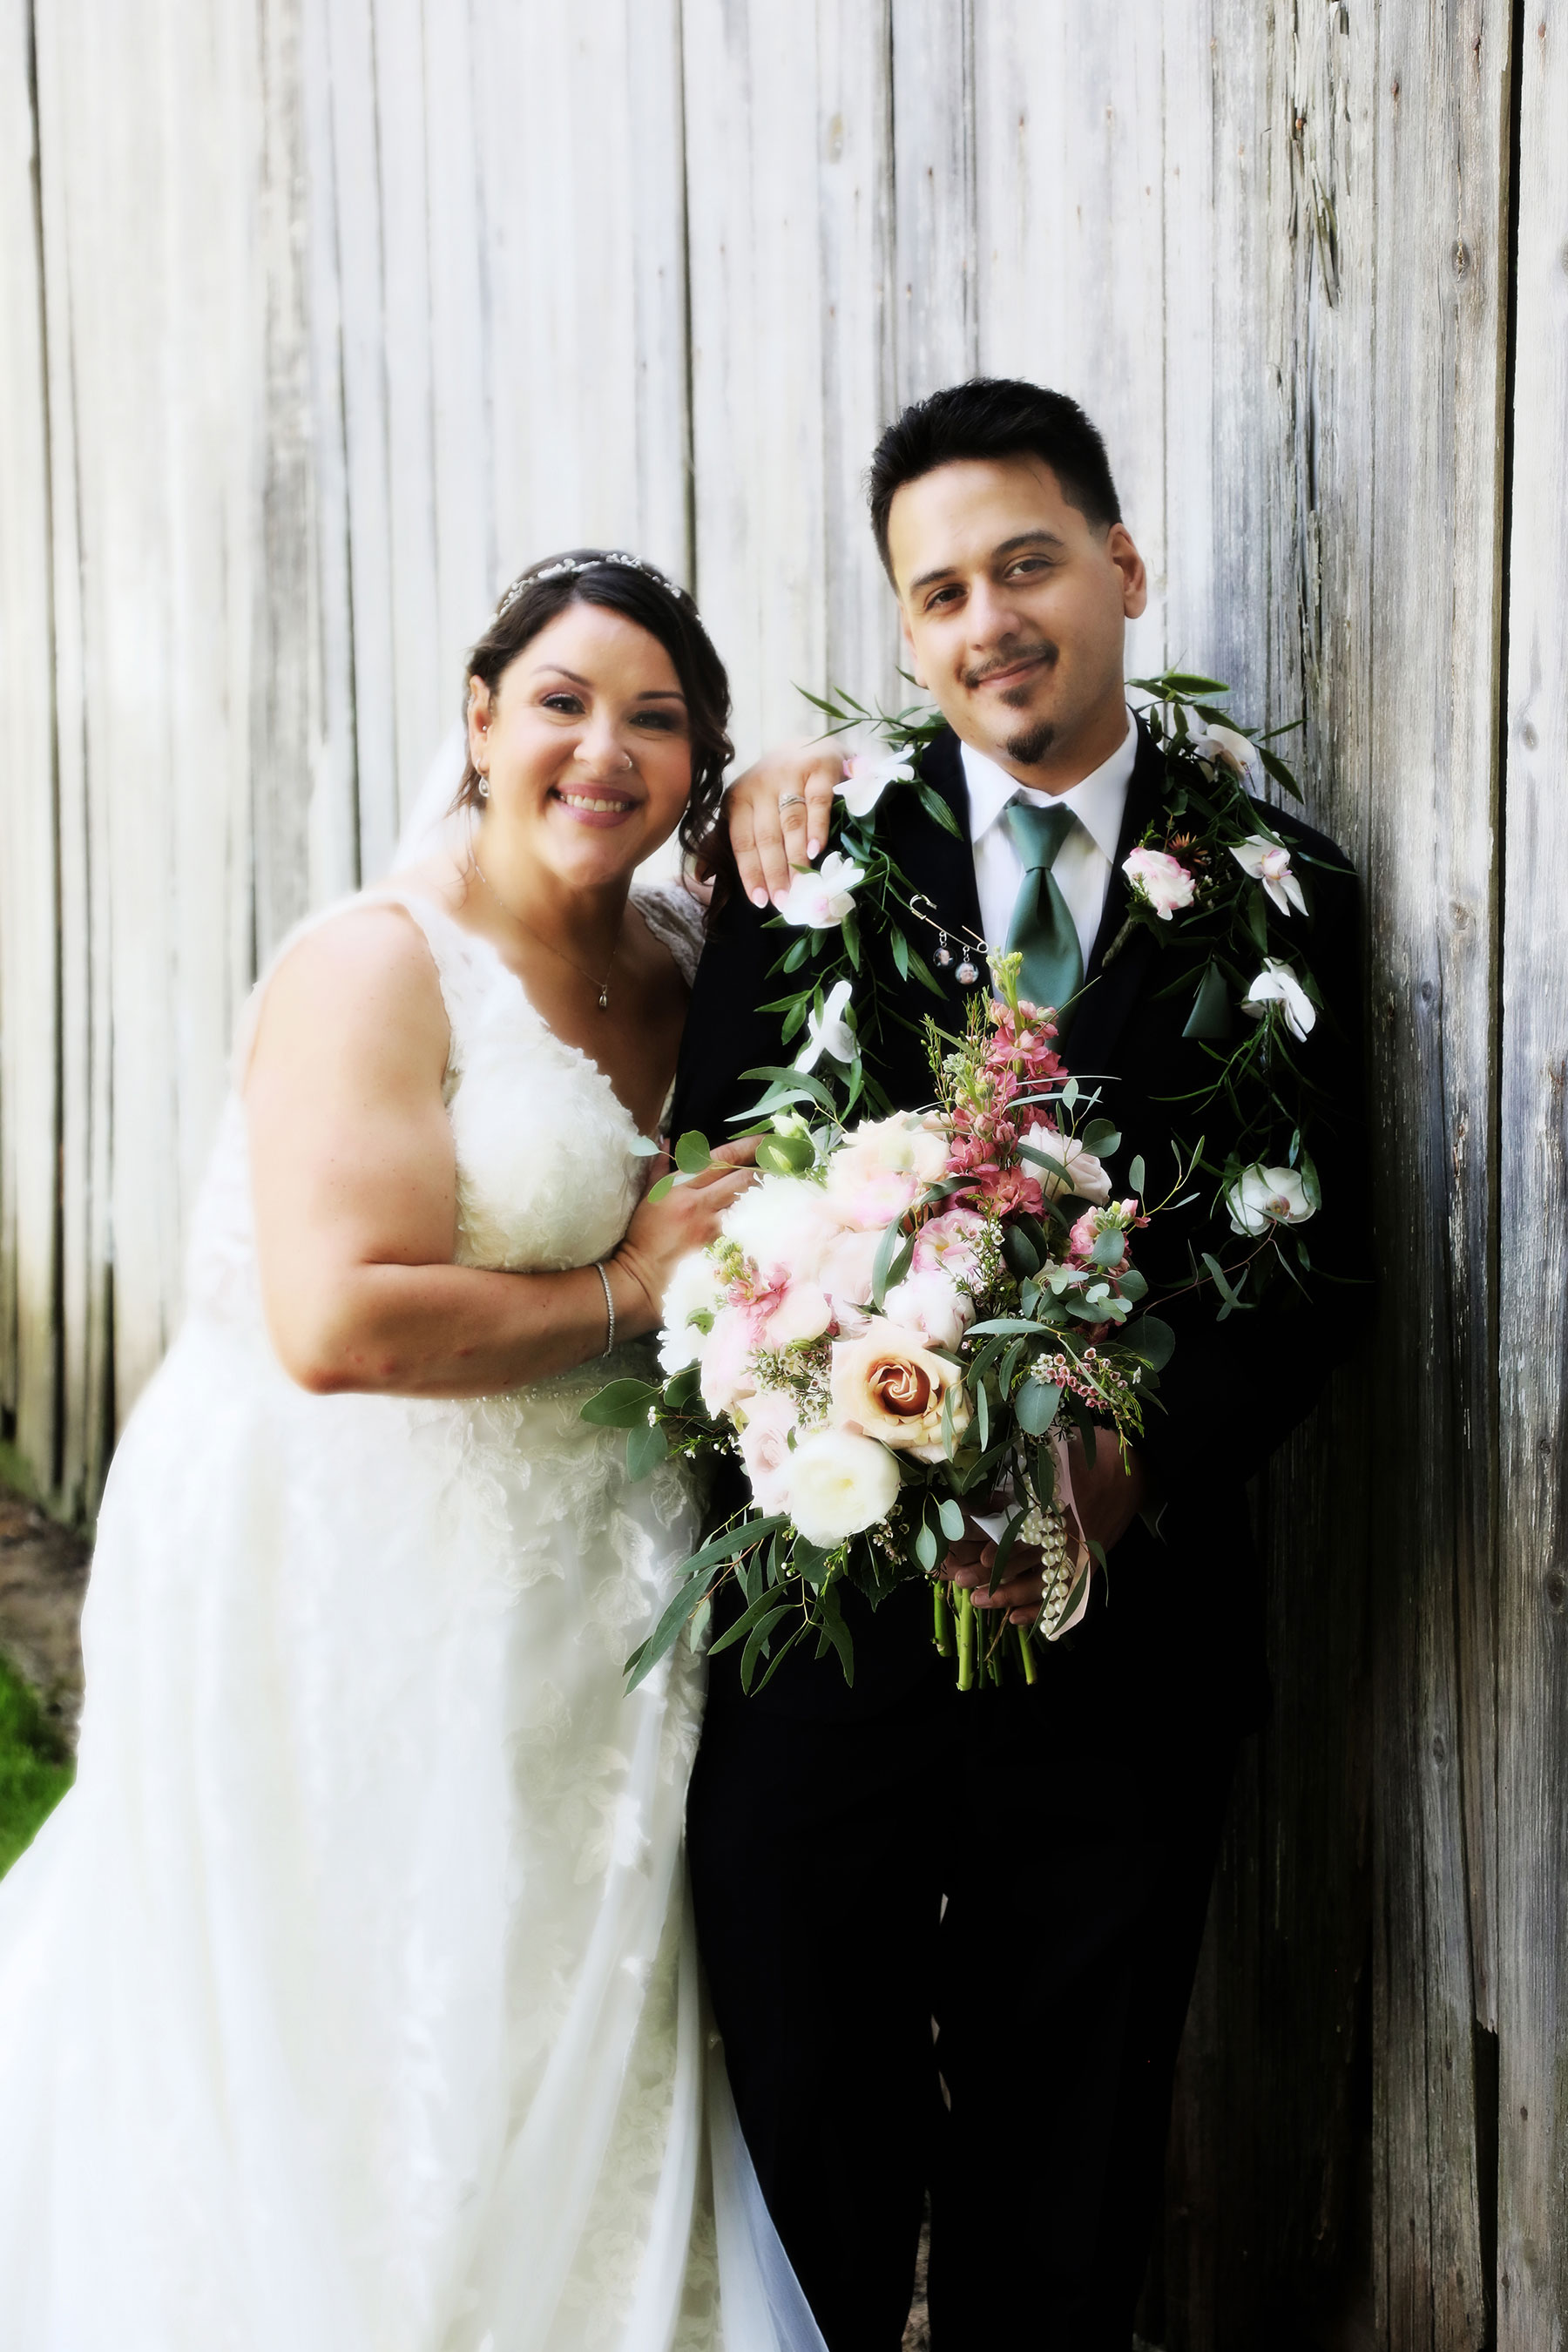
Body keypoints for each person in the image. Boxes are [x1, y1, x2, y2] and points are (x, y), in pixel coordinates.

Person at [0, 551, 828, 2352]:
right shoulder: (379, 966)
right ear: (477, 719)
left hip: (585, 1574)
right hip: (341, 1558)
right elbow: (335, 1323)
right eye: (561, 701)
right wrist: (627, 1282)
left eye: (661, 721)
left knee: (554, 1985)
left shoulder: (689, 959)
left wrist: (795, 793)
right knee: (357, 2000)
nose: (604, 748)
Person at [678, 379, 1370, 2349]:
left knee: (1066, 2178)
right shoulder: (815, 862)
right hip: (827, 1639)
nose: (989, 619)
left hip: (1122, 1656)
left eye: (1027, 564)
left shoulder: (1280, 890)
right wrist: (824, 1398)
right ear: (906, 633)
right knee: (808, 2134)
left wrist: (1117, 1478)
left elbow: (1310, 1277)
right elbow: (717, 1209)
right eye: (940, 591)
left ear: (1121, 569)